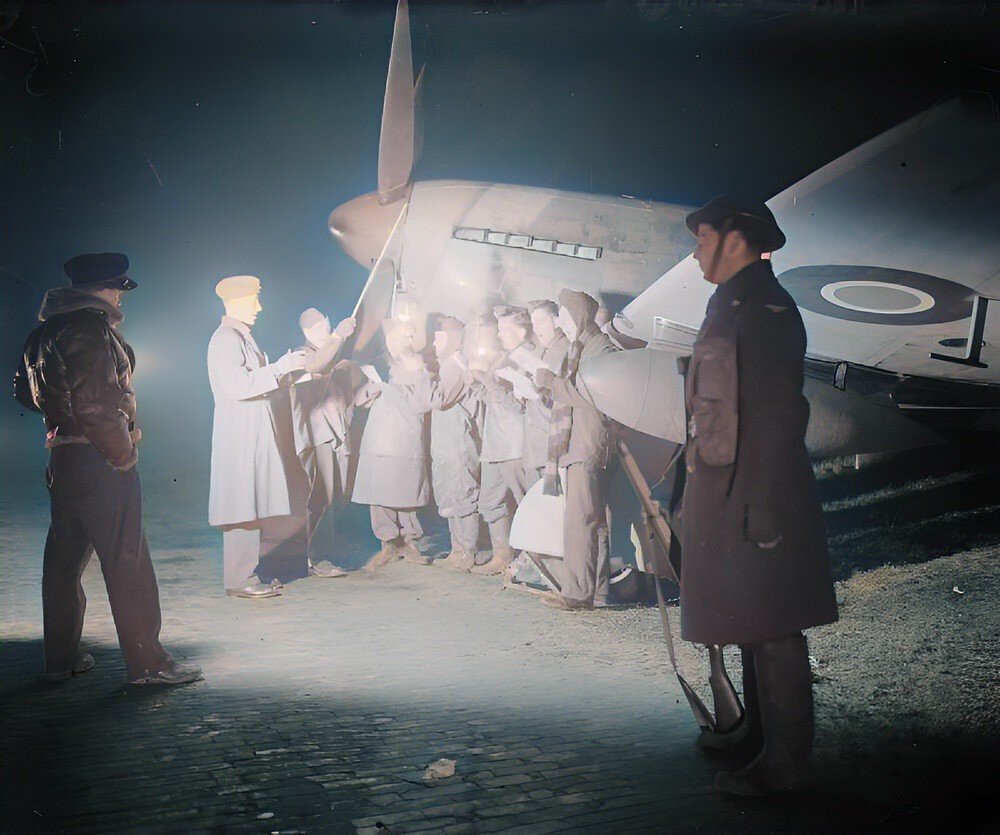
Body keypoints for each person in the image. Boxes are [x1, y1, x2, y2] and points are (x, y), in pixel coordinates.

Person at [679, 195, 838, 796]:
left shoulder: (764, 309)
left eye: (703, 239)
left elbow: (775, 416)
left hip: (757, 491)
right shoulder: (732, 302)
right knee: (747, 616)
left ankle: (787, 764)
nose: (696, 251)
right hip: (730, 488)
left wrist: (763, 502)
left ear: (736, 241)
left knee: (773, 626)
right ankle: (757, 739)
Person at [14, 252, 201, 685]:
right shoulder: (91, 329)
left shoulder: (41, 333)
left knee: (62, 564)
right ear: (105, 290)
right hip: (98, 458)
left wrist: (59, 418)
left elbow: (26, 395)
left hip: (63, 457)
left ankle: (60, 659)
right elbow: (98, 404)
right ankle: (148, 665)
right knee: (126, 562)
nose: (121, 294)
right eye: (118, 287)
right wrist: (124, 456)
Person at [207, 275, 308, 599]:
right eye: (254, 301)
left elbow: (255, 382)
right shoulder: (226, 339)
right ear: (235, 302)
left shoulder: (240, 337)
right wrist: (279, 369)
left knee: (249, 504)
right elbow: (238, 386)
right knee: (242, 506)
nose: (259, 308)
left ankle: (246, 573)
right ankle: (240, 578)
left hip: (249, 433)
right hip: (241, 436)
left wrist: (289, 374)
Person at [534, 289, 616, 610]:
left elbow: (592, 395)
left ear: (579, 316)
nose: (561, 323)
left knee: (580, 519)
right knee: (595, 519)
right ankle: (597, 590)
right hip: (587, 440)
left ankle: (577, 593)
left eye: (565, 317)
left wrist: (551, 382)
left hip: (587, 441)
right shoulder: (584, 347)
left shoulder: (599, 350)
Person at [291, 307, 373, 576]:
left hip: (337, 436)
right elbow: (318, 366)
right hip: (318, 438)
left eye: (328, 327)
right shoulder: (302, 355)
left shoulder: (334, 358)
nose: (326, 333)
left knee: (335, 496)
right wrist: (337, 337)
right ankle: (317, 557)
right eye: (321, 330)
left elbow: (351, 396)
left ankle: (317, 553)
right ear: (306, 333)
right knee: (321, 497)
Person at [352, 318, 436, 570]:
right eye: (404, 336)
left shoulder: (420, 365)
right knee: (380, 490)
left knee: (407, 487)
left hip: (407, 437)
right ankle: (388, 542)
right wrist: (373, 390)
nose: (409, 341)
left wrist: (410, 379)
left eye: (412, 336)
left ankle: (409, 541)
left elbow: (423, 402)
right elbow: (359, 399)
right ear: (390, 336)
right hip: (380, 436)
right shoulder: (378, 362)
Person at [470, 307, 536, 576]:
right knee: (489, 502)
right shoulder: (504, 358)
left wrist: (489, 381)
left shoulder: (527, 359)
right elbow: (494, 399)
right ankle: (502, 555)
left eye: (503, 329)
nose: (498, 335)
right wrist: (479, 385)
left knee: (526, 503)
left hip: (515, 444)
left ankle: (533, 559)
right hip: (495, 443)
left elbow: (517, 408)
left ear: (520, 331)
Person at [429, 315, 484, 572]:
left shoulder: (455, 364)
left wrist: (421, 377)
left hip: (458, 441)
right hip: (446, 441)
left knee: (462, 491)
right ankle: (457, 549)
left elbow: (441, 400)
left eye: (438, 337)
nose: (433, 342)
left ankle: (468, 551)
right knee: (449, 491)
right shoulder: (447, 363)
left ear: (451, 339)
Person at [522, 299, 570, 484]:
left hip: (553, 440)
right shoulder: (545, 350)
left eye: (541, 322)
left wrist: (537, 390)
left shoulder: (564, 349)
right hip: (540, 441)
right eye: (534, 324)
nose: (537, 329)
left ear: (556, 320)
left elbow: (563, 395)